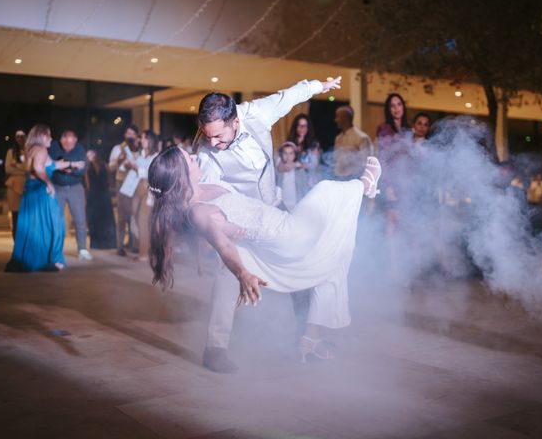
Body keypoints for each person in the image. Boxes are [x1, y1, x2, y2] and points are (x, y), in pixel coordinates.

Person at [148, 147, 381, 362]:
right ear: (180, 175)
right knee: (325, 190)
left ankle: (309, 341)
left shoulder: (206, 185)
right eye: (189, 159)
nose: (195, 156)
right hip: (284, 234)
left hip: (280, 220)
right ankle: (364, 185)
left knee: (335, 254)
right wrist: (242, 273)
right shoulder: (198, 211)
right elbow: (224, 246)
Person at [195, 76, 341, 373]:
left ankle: (306, 338)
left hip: (274, 206)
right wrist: (227, 230)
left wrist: (320, 86)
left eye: (218, 136)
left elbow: (289, 96)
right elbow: (209, 196)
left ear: (235, 121)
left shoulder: (256, 113)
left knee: (306, 259)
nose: (212, 143)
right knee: (227, 272)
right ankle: (215, 348)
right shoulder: (206, 153)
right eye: (207, 135)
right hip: (240, 215)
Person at [6, 124, 83, 272]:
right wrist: (49, 183)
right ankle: (52, 260)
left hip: (31, 192)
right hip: (41, 192)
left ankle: (37, 259)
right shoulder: (41, 149)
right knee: (56, 226)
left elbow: (52, 164)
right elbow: (39, 168)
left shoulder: (31, 149)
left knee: (35, 228)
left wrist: (73, 163)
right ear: (42, 136)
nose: (51, 138)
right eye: (49, 135)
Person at [49, 129, 92, 260]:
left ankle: (82, 249)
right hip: (58, 187)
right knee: (56, 219)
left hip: (75, 188)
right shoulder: (54, 147)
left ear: (75, 141)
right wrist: (70, 166)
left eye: (71, 144)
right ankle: (55, 250)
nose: (69, 147)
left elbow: (84, 168)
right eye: (66, 144)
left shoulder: (79, 149)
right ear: (61, 140)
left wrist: (68, 170)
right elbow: (51, 165)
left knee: (80, 220)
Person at [109, 124, 140, 256]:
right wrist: (119, 160)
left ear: (136, 135)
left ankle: (134, 245)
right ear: (125, 135)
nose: (130, 136)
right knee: (122, 215)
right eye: (128, 133)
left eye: (133, 133)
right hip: (121, 183)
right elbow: (111, 167)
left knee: (135, 214)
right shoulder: (118, 148)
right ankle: (120, 246)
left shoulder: (140, 148)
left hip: (136, 182)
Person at [131, 130, 158, 261]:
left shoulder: (156, 156)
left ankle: (145, 253)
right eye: (141, 138)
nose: (142, 140)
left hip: (149, 191)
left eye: (145, 138)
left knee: (144, 221)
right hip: (136, 189)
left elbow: (152, 174)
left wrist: (137, 169)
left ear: (151, 141)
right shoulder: (140, 154)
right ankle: (145, 251)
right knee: (135, 219)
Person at [85, 149, 116, 249]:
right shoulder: (88, 168)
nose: (89, 156)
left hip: (101, 195)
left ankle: (105, 243)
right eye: (88, 155)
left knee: (104, 220)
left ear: (95, 154)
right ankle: (100, 243)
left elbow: (109, 180)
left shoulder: (102, 166)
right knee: (97, 220)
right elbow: (87, 184)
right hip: (97, 196)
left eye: (90, 154)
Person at [333, 105, 373, 180]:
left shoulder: (361, 138)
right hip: (338, 179)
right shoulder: (338, 138)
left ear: (345, 118)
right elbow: (335, 160)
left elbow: (366, 163)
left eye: (338, 117)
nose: (336, 120)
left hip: (353, 179)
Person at [283, 113, 321, 186]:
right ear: (295, 127)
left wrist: (298, 165)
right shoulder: (289, 143)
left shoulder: (313, 145)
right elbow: (283, 162)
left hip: (308, 181)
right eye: (299, 125)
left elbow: (314, 165)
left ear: (308, 128)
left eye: (305, 126)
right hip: (292, 180)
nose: (302, 128)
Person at [275, 141, 310, 212]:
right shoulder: (278, 171)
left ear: (295, 155)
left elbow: (305, 188)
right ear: (281, 155)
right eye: (285, 153)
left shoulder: (300, 170)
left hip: (297, 204)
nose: (288, 156)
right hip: (282, 206)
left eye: (291, 153)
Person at [5, 130, 26, 239]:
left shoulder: (29, 152)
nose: (20, 139)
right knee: (15, 216)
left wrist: (16, 166)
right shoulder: (11, 152)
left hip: (27, 186)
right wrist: (22, 168)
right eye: (17, 136)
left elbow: (30, 169)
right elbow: (8, 169)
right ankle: (16, 243)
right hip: (13, 187)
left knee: (27, 216)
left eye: (22, 136)